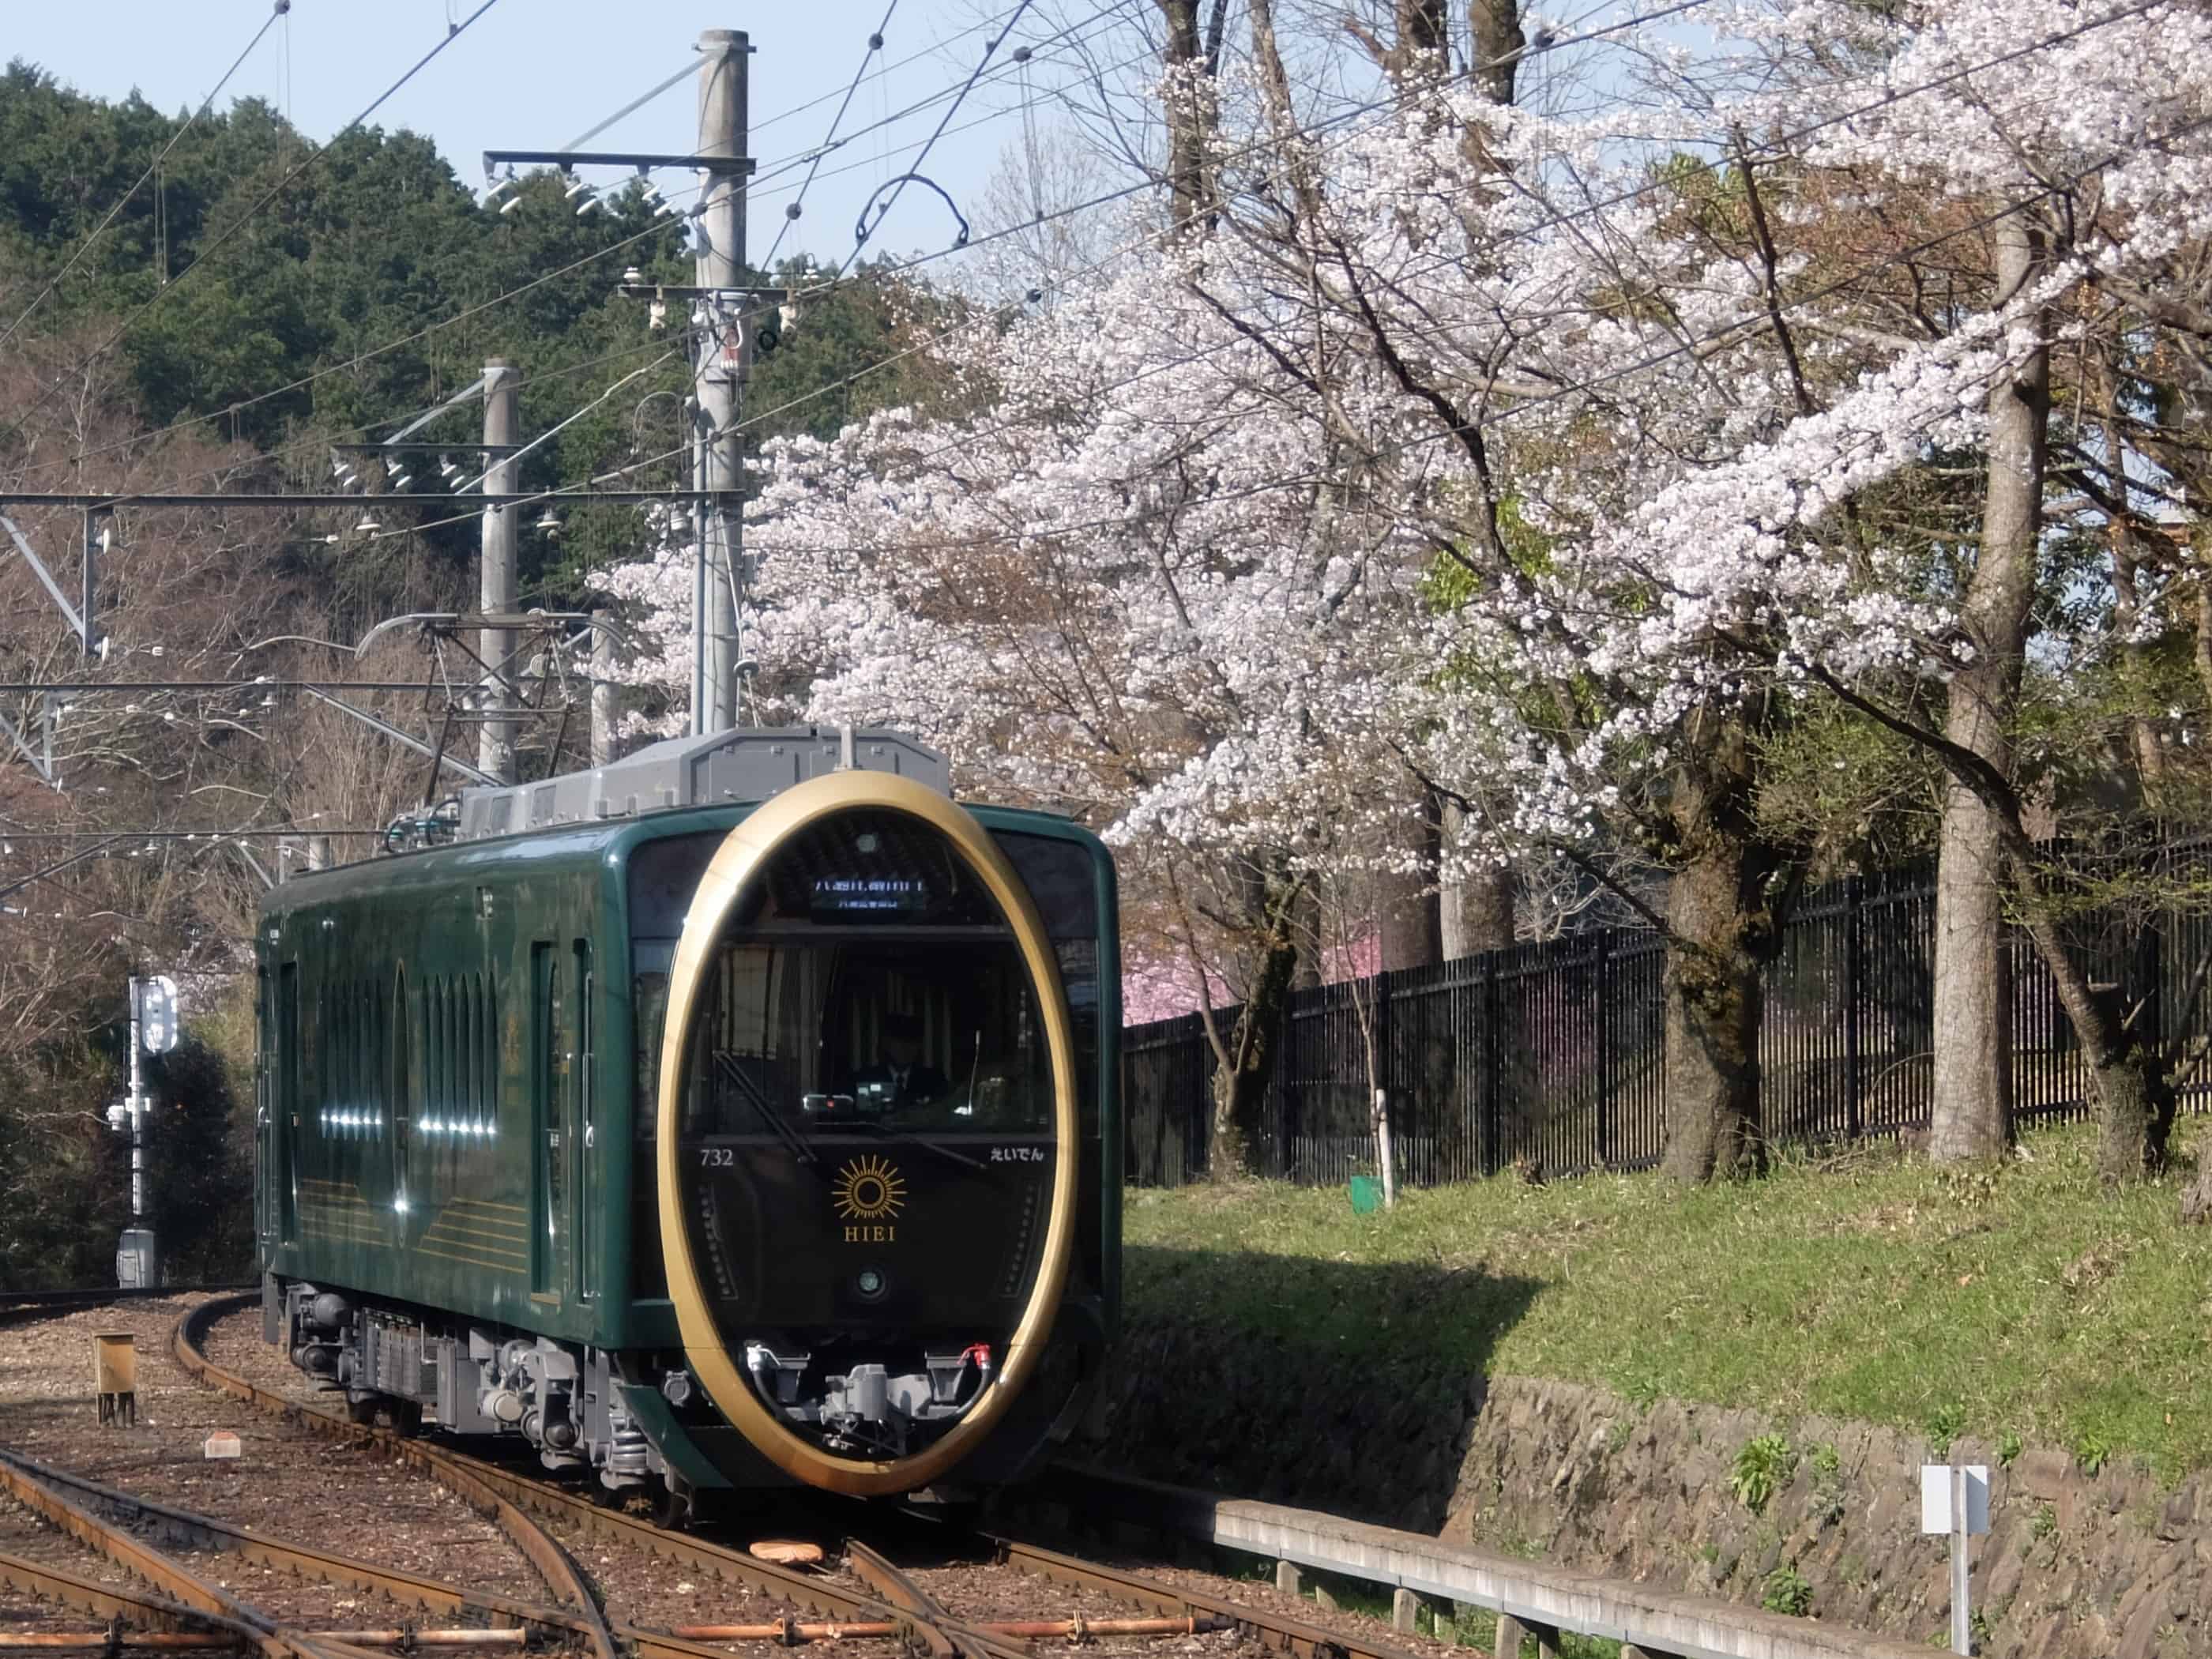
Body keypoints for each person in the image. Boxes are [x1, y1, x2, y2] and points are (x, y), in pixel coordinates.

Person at [848, 1012, 950, 1113]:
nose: (904, 1048)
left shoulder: (934, 1080)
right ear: (886, 1044)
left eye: (911, 1042)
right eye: (898, 1042)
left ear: (918, 1047)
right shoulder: (865, 1078)